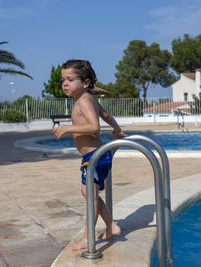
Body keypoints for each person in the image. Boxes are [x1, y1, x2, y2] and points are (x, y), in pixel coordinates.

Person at [53, 59, 126, 251]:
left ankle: (88, 239)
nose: (65, 84)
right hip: (96, 157)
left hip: (94, 157)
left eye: (70, 79)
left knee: (90, 197)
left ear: (85, 83)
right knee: (88, 193)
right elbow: (107, 116)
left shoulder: (84, 100)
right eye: (63, 80)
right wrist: (117, 131)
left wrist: (68, 128)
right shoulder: (89, 99)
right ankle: (111, 226)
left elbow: (94, 127)